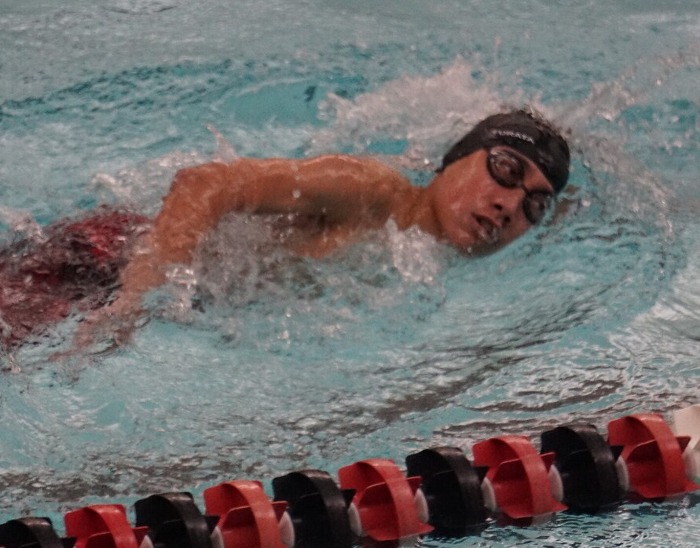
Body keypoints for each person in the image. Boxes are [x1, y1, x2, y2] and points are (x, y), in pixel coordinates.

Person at [0, 108, 570, 350]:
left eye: (535, 205)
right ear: (456, 158)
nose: (508, 205)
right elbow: (206, 183)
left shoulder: (424, 260)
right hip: (103, 259)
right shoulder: (371, 191)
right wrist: (136, 296)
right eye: (505, 169)